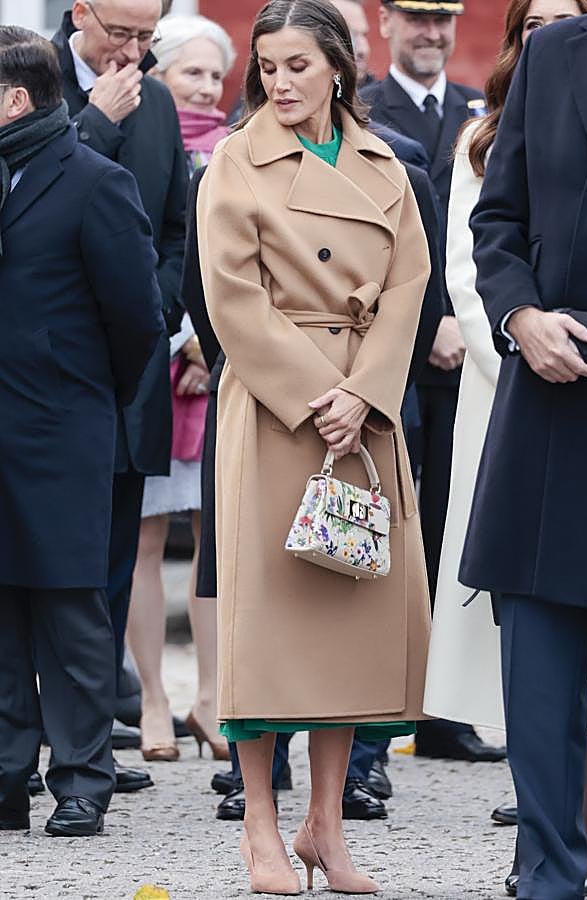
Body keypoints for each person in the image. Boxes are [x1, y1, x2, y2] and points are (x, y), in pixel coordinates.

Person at [198, 0, 432, 892]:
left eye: (297, 64)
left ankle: (324, 827)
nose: (280, 82)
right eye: (266, 66)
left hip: (360, 417)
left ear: (336, 64)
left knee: (347, 628)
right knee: (266, 627)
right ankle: (259, 822)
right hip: (274, 410)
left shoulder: (386, 165)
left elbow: (410, 286)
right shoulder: (235, 160)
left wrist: (365, 392)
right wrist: (312, 395)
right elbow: (230, 296)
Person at [423, 0, 587, 894]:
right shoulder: (556, 53)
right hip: (547, 410)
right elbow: (496, 220)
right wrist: (518, 315)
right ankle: (548, 876)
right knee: (536, 678)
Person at [0, 26, 165, 837]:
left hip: (63, 426)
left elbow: (137, 317)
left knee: (69, 609)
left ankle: (79, 780)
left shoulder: (92, 179)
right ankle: (3, 775)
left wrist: (84, 391)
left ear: (13, 98)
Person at [52, 0, 188, 791]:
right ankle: (25, 740)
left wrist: (156, 309)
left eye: (147, 37)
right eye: (120, 33)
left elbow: (173, 229)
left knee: (108, 560)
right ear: (80, 12)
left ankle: (88, 741)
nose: (132, 52)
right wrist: (94, 123)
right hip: (40, 371)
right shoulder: (25, 81)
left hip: (130, 369)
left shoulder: (159, 100)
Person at [362, 0, 501, 764]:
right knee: (378, 531)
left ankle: (444, 712)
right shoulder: (364, 108)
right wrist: (431, 322)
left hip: (463, 365)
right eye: (415, 19)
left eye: (442, 20)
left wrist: (459, 322)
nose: (431, 33)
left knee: (453, 534)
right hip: (398, 361)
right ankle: (376, 718)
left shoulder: (475, 113)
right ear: (387, 24)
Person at [126, 13, 235, 763]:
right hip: (151, 362)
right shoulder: (140, 139)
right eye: (189, 71)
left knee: (216, 543)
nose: (204, 85)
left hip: (216, 369)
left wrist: (212, 344)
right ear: (158, 75)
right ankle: (152, 699)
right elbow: (140, 244)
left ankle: (211, 695)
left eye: (213, 73)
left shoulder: (238, 152)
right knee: (144, 537)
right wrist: (177, 337)